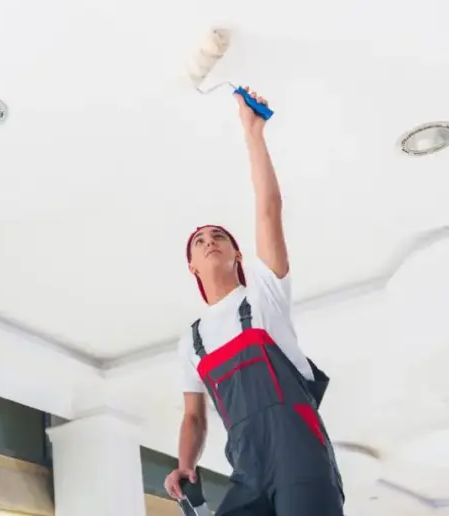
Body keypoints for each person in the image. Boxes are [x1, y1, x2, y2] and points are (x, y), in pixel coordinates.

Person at [162, 88, 344, 515]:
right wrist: (185, 465)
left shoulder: (265, 295)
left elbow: (269, 209)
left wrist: (253, 133)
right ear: (191, 265)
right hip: (247, 467)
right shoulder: (193, 342)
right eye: (201, 241)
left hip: (302, 458)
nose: (210, 242)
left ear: (237, 254)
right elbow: (194, 416)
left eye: (219, 237)